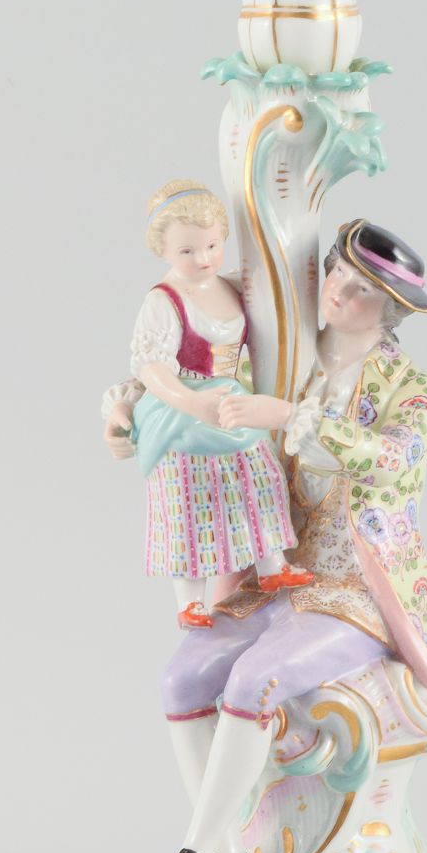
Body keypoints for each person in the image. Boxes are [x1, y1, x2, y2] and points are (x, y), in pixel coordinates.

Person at [105, 219, 427, 853]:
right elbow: (193, 381)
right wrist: (132, 411)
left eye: (363, 291)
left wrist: (291, 416)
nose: (340, 293)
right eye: (337, 275)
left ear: (392, 311)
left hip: (355, 584)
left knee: (255, 677)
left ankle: (196, 847)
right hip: (274, 572)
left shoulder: (415, 391)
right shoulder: (279, 354)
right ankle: (230, 850)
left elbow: (391, 459)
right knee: (182, 677)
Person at [103, 179, 311, 629]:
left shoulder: (231, 286)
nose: (203, 259)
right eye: (188, 251)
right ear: (163, 250)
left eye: (212, 246)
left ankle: (273, 564)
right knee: (190, 504)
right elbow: (151, 367)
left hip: (230, 401)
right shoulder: (163, 301)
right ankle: (189, 600)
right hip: (181, 409)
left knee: (259, 479)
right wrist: (191, 403)